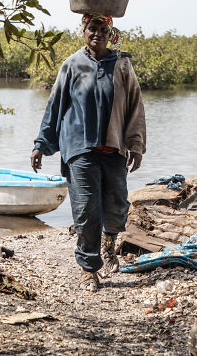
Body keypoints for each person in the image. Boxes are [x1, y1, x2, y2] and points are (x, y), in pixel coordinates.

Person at [31, 14, 146, 292]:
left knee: (117, 206)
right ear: (84, 31)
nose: (97, 34)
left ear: (111, 33)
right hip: (79, 148)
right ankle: (88, 269)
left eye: (103, 29)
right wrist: (40, 144)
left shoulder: (122, 65)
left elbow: (135, 105)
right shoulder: (72, 65)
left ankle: (109, 246)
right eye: (91, 29)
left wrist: (136, 145)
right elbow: (55, 106)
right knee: (86, 209)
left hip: (114, 147)